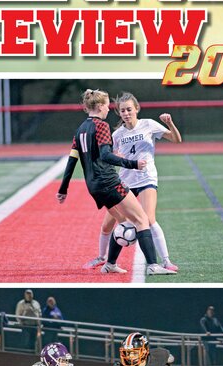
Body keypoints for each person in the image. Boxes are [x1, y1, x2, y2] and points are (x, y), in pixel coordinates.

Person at [57, 88, 172, 275]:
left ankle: (109, 263)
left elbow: (72, 160)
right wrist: (132, 163)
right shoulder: (101, 126)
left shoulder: (80, 130)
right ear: (100, 106)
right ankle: (153, 265)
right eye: (108, 105)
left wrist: (63, 188)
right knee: (142, 219)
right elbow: (105, 155)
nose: (110, 109)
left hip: (93, 186)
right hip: (108, 182)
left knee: (123, 222)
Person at [84, 92, 181, 272]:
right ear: (119, 113)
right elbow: (107, 155)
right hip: (125, 182)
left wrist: (169, 123)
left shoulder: (148, 125)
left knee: (149, 219)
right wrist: (115, 156)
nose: (126, 113)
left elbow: (176, 139)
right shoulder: (118, 133)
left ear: (136, 109)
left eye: (129, 109)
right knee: (108, 224)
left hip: (146, 178)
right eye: (122, 111)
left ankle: (165, 261)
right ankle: (103, 259)